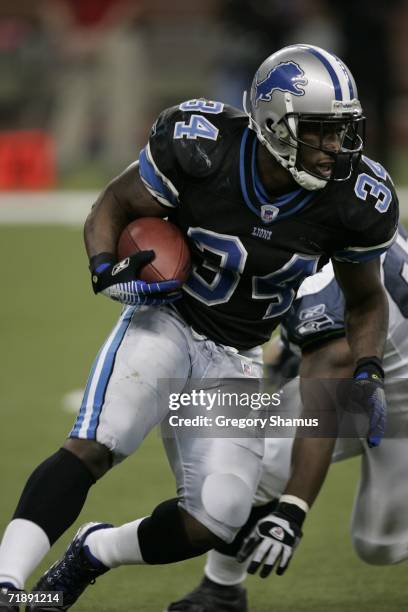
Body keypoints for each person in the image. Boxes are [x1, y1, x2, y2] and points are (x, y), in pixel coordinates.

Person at [0, 44, 398, 612]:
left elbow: (364, 301)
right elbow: (112, 203)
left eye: (342, 132)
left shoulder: (355, 198)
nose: (336, 149)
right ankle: (7, 584)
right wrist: (103, 268)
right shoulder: (203, 144)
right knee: (98, 441)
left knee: (217, 516)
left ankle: (92, 550)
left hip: (237, 356)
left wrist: (369, 367)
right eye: (319, 132)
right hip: (169, 320)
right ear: (273, 122)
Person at [166, 226, 408, 611]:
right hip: (361, 372)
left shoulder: (322, 276)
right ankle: (221, 589)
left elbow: (324, 397)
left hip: (397, 404)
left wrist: (293, 509)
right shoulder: (344, 216)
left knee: (379, 544)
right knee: (256, 456)